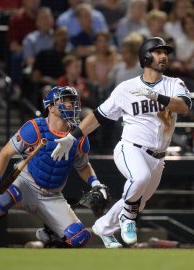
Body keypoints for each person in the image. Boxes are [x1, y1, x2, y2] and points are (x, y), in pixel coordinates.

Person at [51, 37, 191, 248]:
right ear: (145, 56)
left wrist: (156, 96)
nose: (164, 56)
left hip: (159, 157)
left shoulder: (174, 84)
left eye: (166, 53)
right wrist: (71, 137)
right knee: (139, 179)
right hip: (131, 148)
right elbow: (98, 116)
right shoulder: (126, 88)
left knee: (138, 201)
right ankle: (127, 219)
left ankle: (103, 227)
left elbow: (184, 107)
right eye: (158, 52)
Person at [0, 86, 108, 248]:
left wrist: (95, 183)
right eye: (65, 101)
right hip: (25, 182)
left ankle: (49, 235)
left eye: (73, 101)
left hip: (52, 195)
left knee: (80, 237)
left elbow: (83, 166)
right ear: (50, 107)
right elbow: (5, 153)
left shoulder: (79, 136)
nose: (71, 105)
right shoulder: (35, 128)